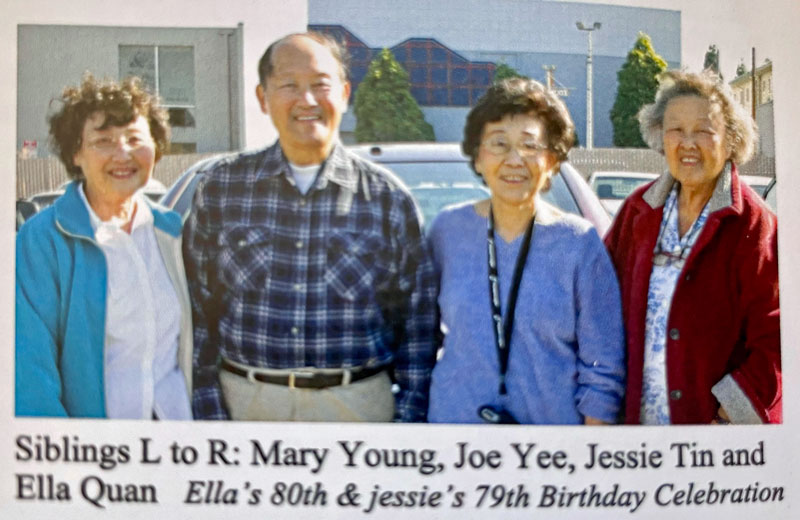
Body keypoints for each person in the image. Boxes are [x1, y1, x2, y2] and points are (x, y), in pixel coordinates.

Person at [183, 32, 437, 422]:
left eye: (321, 85)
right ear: (262, 98)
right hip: (246, 404)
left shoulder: (388, 199)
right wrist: (208, 411)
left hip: (357, 406)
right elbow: (198, 314)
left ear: (345, 92)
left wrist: (406, 421)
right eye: (289, 86)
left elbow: (418, 326)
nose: (307, 101)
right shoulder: (222, 188)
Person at [426, 78, 625, 424]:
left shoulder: (579, 244)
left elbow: (604, 365)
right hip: (455, 448)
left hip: (550, 454)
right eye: (499, 143)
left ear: (551, 161)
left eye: (530, 146)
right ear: (477, 157)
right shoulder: (447, 231)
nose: (514, 159)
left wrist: (590, 450)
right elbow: (418, 340)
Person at [604, 70, 780, 424]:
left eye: (703, 130)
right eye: (676, 130)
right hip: (637, 428)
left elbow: (778, 332)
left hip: (710, 434)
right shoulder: (639, 210)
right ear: (660, 136)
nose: (688, 143)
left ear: (730, 140)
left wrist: (738, 404)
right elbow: (598, 302)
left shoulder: (752, 221)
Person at [16, 75, 193, 419]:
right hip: (96, 456)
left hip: (176, 446)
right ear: (76, 153)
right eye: (104, 140)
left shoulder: (172, 231)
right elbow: (29, 376)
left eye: (134, 139)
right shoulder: (41, 240)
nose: (122, 152)